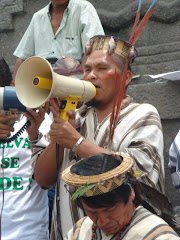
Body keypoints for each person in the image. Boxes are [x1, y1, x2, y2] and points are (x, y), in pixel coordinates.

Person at [31, 34, 165, 239]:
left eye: (102, 68)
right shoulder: (76, 119)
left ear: (126, 77)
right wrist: (61, 136)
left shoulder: (143, 114)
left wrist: (76, 142)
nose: (91, 76)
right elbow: (42, 179)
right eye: (87, 69)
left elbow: (136, 171)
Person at [61, 153, 180, 240]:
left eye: (109, 210)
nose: (102, 222)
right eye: (92, 212)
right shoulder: (80, 230)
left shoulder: (160, 236)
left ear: (131, 193)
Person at [0, 57, 52, 240]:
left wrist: (34, 135)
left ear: (12, 87)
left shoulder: (35, 119)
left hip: (29, 233)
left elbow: (48, 177)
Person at [13, 0, 104, 81]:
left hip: (74, 84)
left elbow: (94, 48)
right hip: (41, 85)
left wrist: (82, 83)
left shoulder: (83, 8)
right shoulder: (38, 17)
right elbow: (22, 58)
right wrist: (16, 91)